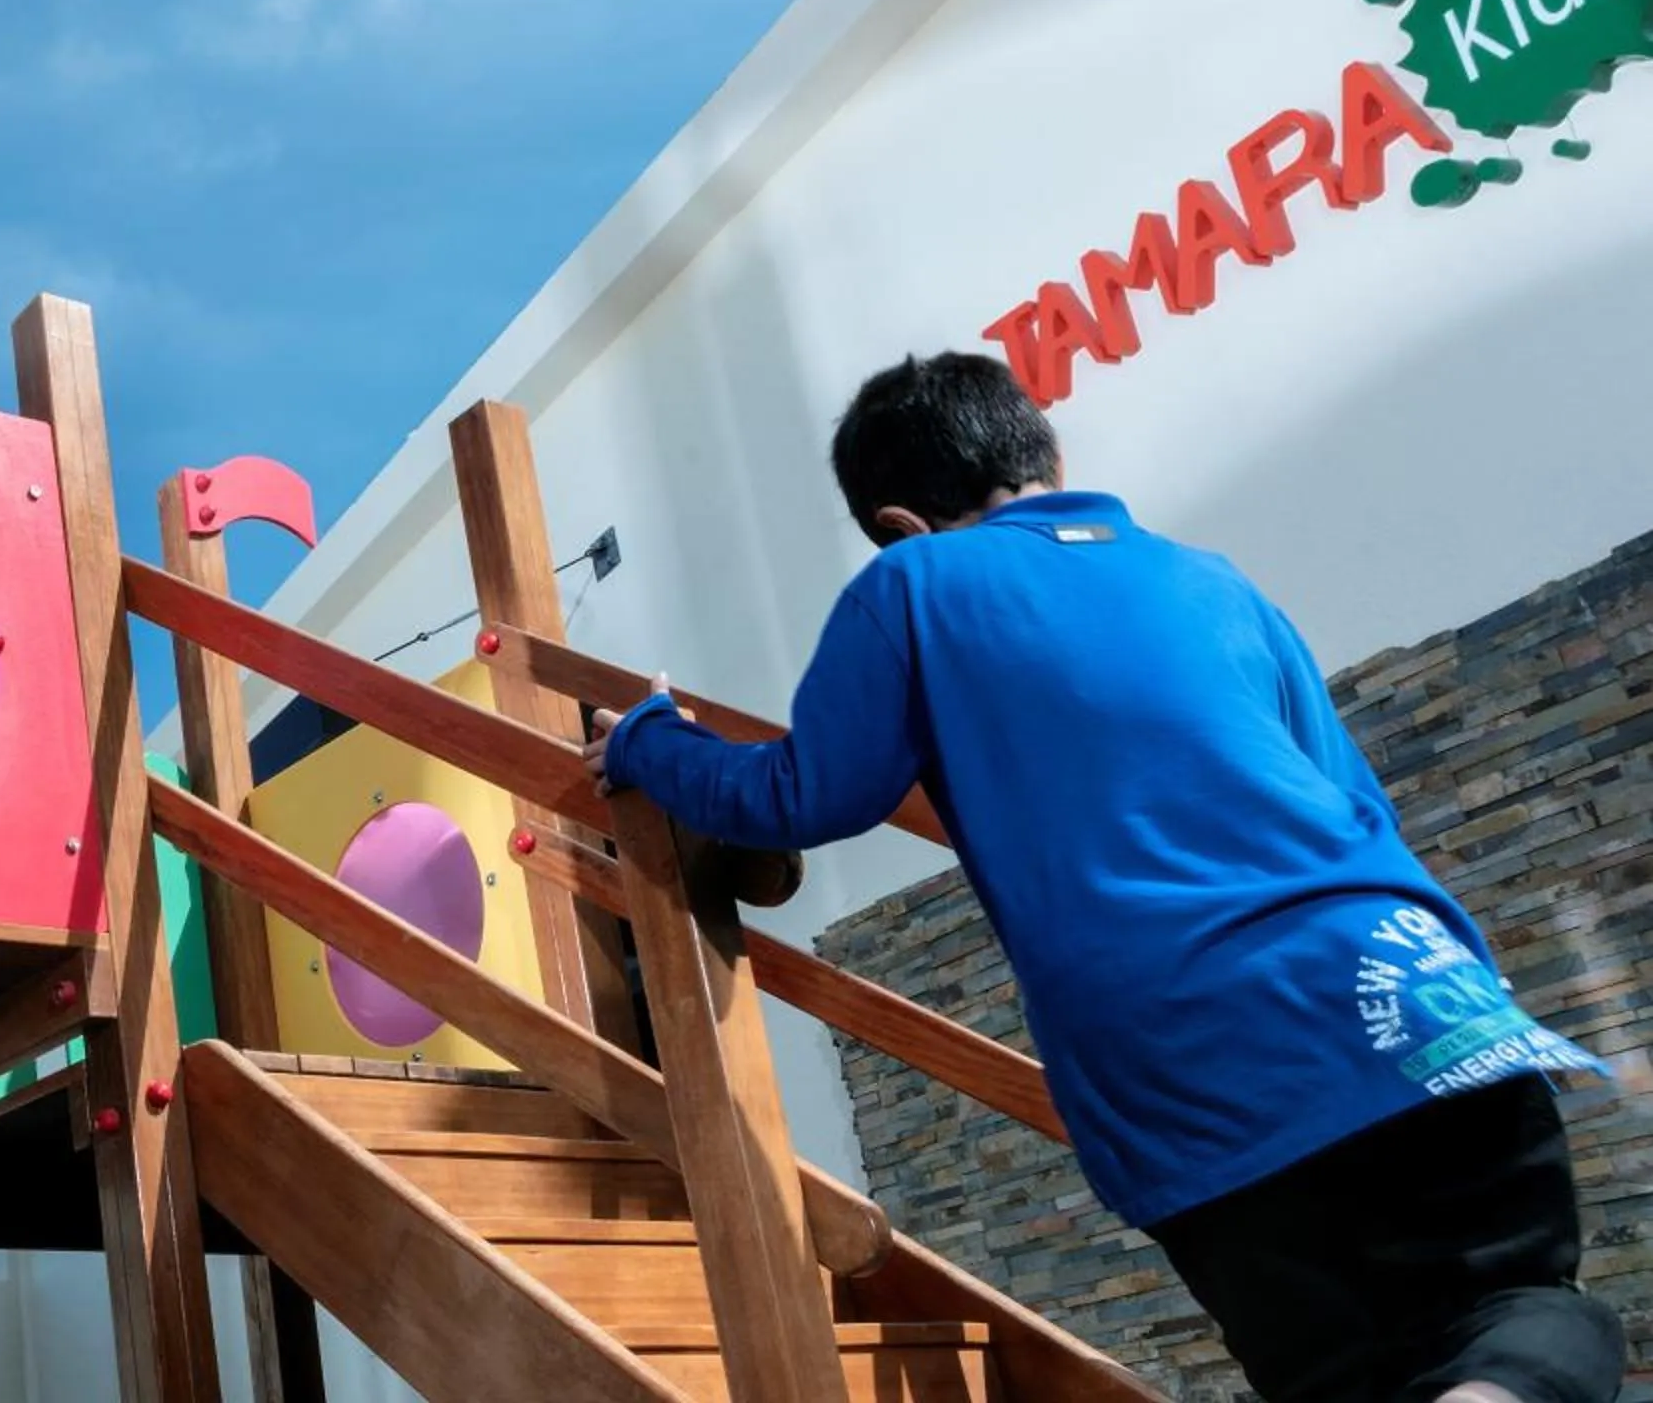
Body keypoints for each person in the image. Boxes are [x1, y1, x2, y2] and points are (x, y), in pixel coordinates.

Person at [585, 351, 1624, 1403]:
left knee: (1346, 1373)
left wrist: (646, 743)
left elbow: (803, 793)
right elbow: (1359, 802)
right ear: (1050, 456)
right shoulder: (1214, 577)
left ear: (899, 521)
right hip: (1412, 990)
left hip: (1196, 1058)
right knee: (1534, 1306)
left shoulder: (914, 583)